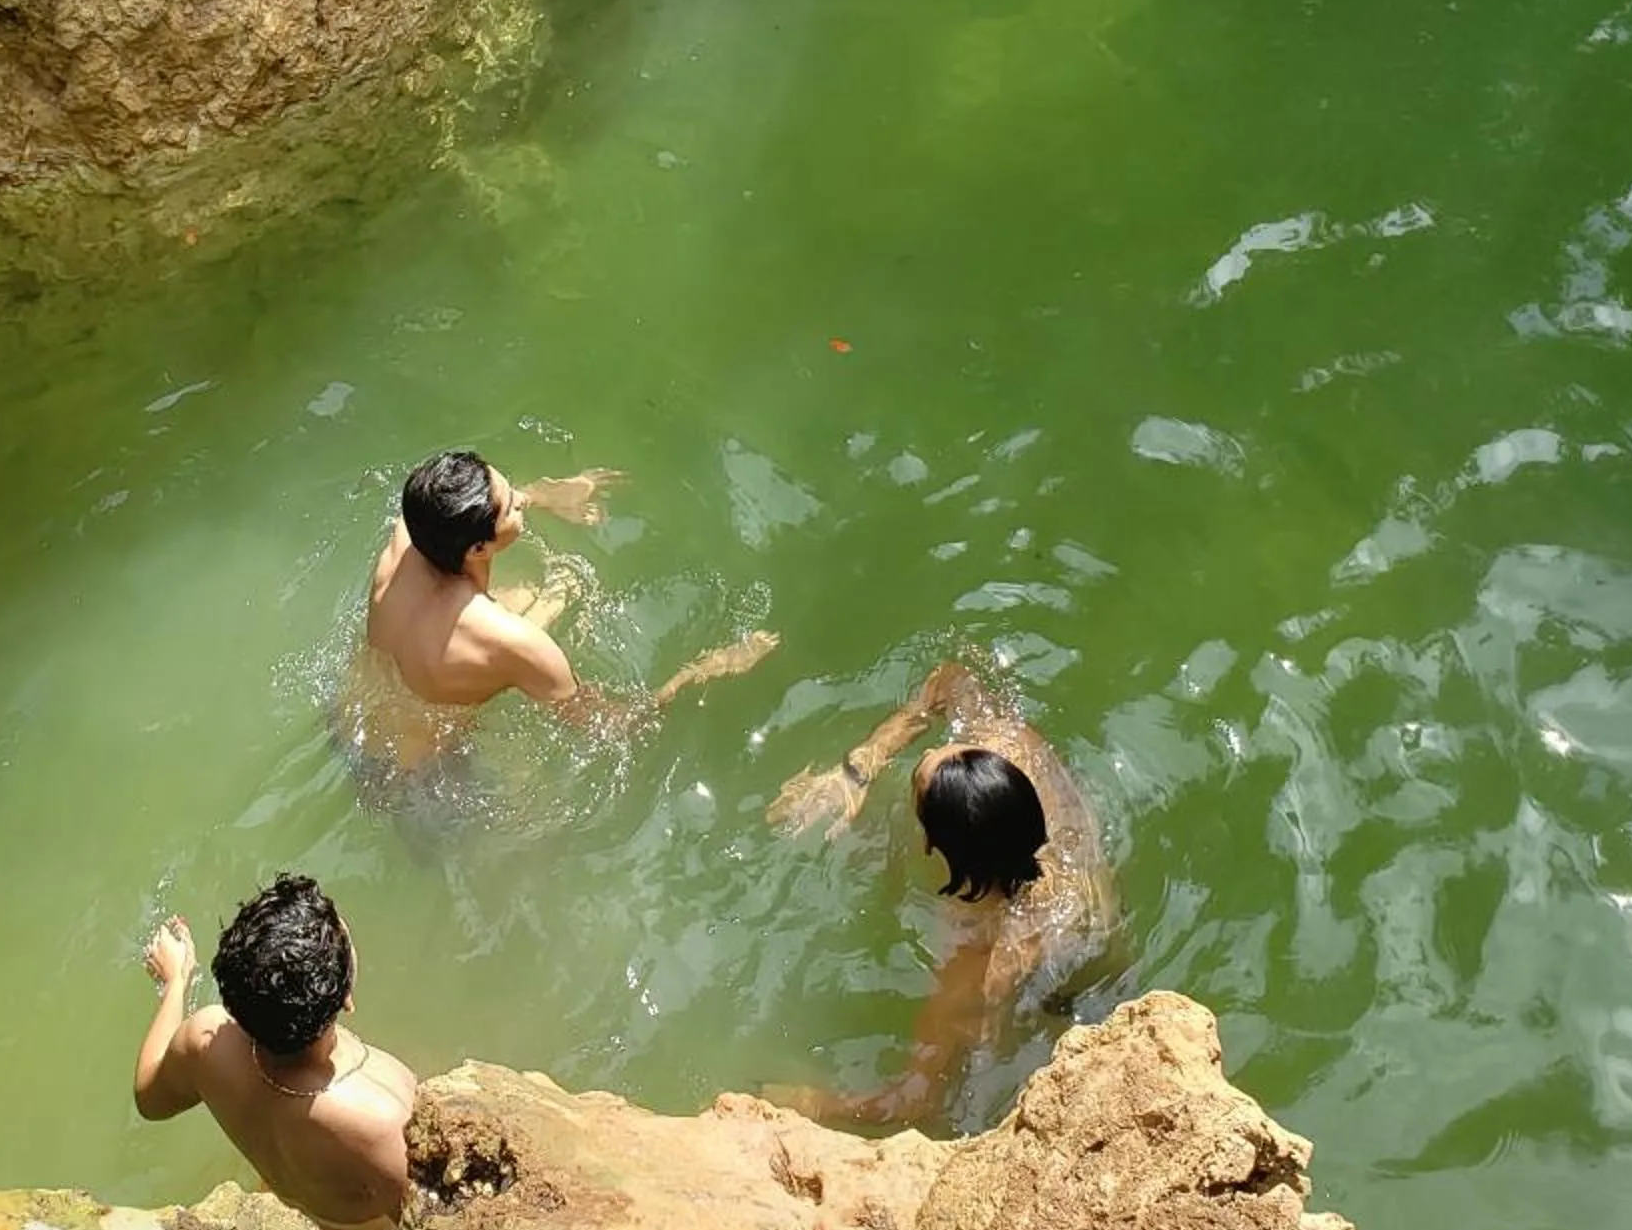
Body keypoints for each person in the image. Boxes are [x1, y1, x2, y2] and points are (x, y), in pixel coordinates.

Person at [761, 660, 1118, 1128]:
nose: (951, 745)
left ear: (931, 845)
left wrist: (814, 1104)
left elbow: (913, 1100)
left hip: (1066, 993)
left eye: (918, 784)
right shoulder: (1012, 753)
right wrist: (858, 769)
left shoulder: (975, 961)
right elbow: (953, 677)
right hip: (1102, 942)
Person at [333, 449, 779, 785]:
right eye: (511, 505)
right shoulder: (519, 645)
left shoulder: (408, 533)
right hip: (422, 777)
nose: (520, 503)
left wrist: (546, 494)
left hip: (345, 723)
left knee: (523, 591)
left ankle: (539, 592)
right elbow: (611, 726)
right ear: (478, 549)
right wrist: (700, 672)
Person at [132, 874, 420, 1230]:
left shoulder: (206, 1043)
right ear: (347, 996)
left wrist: (176, 982)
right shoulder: (381, 1122)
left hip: (285, 1201)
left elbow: (149, 1098)